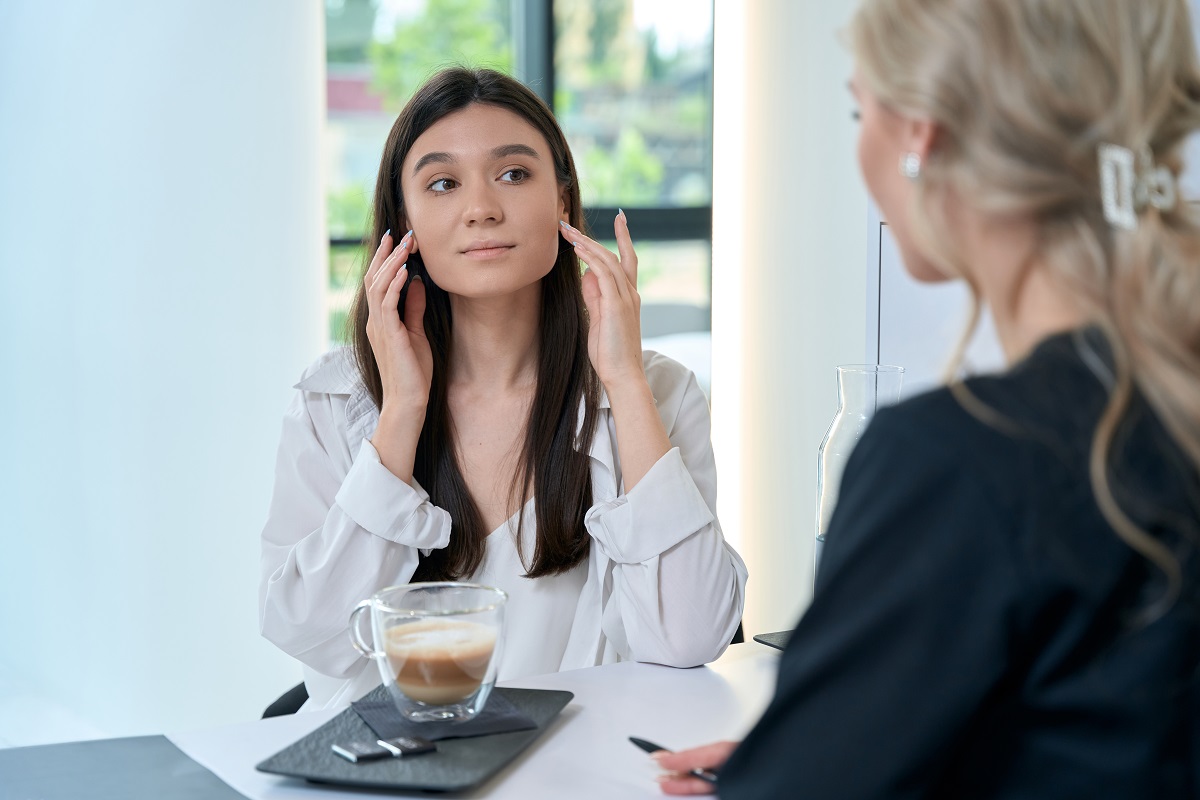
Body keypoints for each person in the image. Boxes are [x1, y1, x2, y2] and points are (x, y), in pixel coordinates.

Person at [657, 0, 1200, 796]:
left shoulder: (957, 459)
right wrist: (840, 742)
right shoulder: (1167, 406)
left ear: (920, 135)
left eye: (859, 108)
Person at [259, 67, 747, 711]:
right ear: (402, 222)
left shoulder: (657, 390)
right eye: (443, 183)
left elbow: (691, 637)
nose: (481, 208)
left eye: (514, 174)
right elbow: (309, 634)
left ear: (564, 205)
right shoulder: (333, 400)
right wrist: (402, 412)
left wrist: (623, 379)